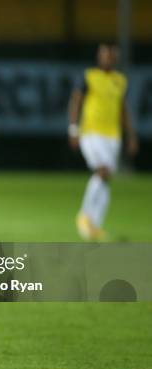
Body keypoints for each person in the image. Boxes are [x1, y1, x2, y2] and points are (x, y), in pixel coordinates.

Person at [68, 43, 138, 241]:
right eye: (105, 56)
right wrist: (73, 128)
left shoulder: (120, 81)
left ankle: (95, 225)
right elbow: (76, 101)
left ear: (115, 59)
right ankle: (84, 216)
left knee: (106, 179)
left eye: (111, 56)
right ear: (99, 57)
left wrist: (131, 135)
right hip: (90, 133)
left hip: (112, 136)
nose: (108, 59)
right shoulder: (89, 76)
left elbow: (123, 110)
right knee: (102, 171)